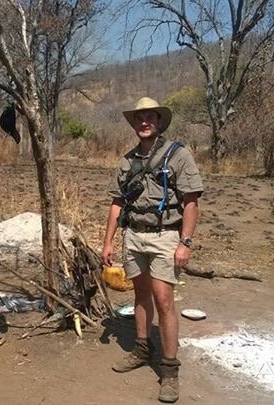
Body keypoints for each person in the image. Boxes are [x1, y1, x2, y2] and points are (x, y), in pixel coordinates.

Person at [102, 97, 204, 403]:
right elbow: (117, 203)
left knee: (164, 301)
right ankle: (142, 349)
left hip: (165, 238)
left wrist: (185, 243)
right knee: (140, 297)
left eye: (150, 117)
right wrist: (107, 241)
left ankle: (170, 371)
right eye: (139, 118)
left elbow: (191, 202)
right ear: (134, 124)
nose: (144, 122)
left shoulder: (178, 155)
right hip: (134, 236)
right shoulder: (126, 161)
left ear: (159, 122)